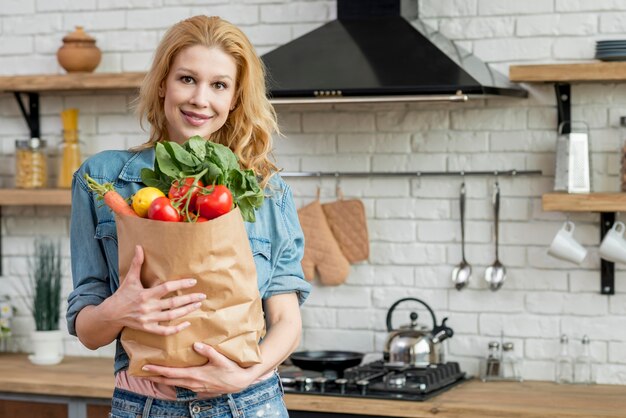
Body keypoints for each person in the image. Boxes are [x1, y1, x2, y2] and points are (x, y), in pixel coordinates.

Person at [67, 15, 311, 417]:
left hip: (248, 403)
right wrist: (119, 310)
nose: (201, 98)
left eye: (219, 85)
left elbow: (286, 319)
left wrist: (242, 376)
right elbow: (88, 332)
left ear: (234, 99)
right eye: (187, 79)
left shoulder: (264, 190)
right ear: (162, 83)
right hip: (145, 405)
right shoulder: (102, 179)